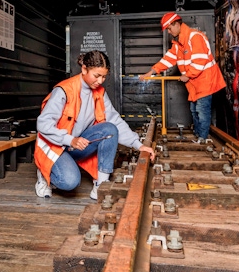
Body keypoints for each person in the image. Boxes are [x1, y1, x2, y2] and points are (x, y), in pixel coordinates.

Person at [35, 50, 156, 199]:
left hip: (76, 145)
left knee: (109, 128)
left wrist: (138, 144)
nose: (100, 81)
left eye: (104, 76)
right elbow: (43, 124)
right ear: (84, 69)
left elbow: (114, 120)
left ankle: (101, 185)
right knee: (70, 182)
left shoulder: (99, 92)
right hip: (55, 147)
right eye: (96, 76)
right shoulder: (64, 90)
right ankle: (44, 175)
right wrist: (69, 139)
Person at [139, 12, 226, 143]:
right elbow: (168, 60)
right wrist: (151, 72)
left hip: (205, 81)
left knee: (201, 111)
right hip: (194, 83)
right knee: (194, 110)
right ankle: (198, 135)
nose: (168, 32)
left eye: (169, 28)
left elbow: (200, 61)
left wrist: (187, 75)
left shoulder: (195, 37)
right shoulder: (178, 43)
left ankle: (202, 139)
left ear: (177, 24)